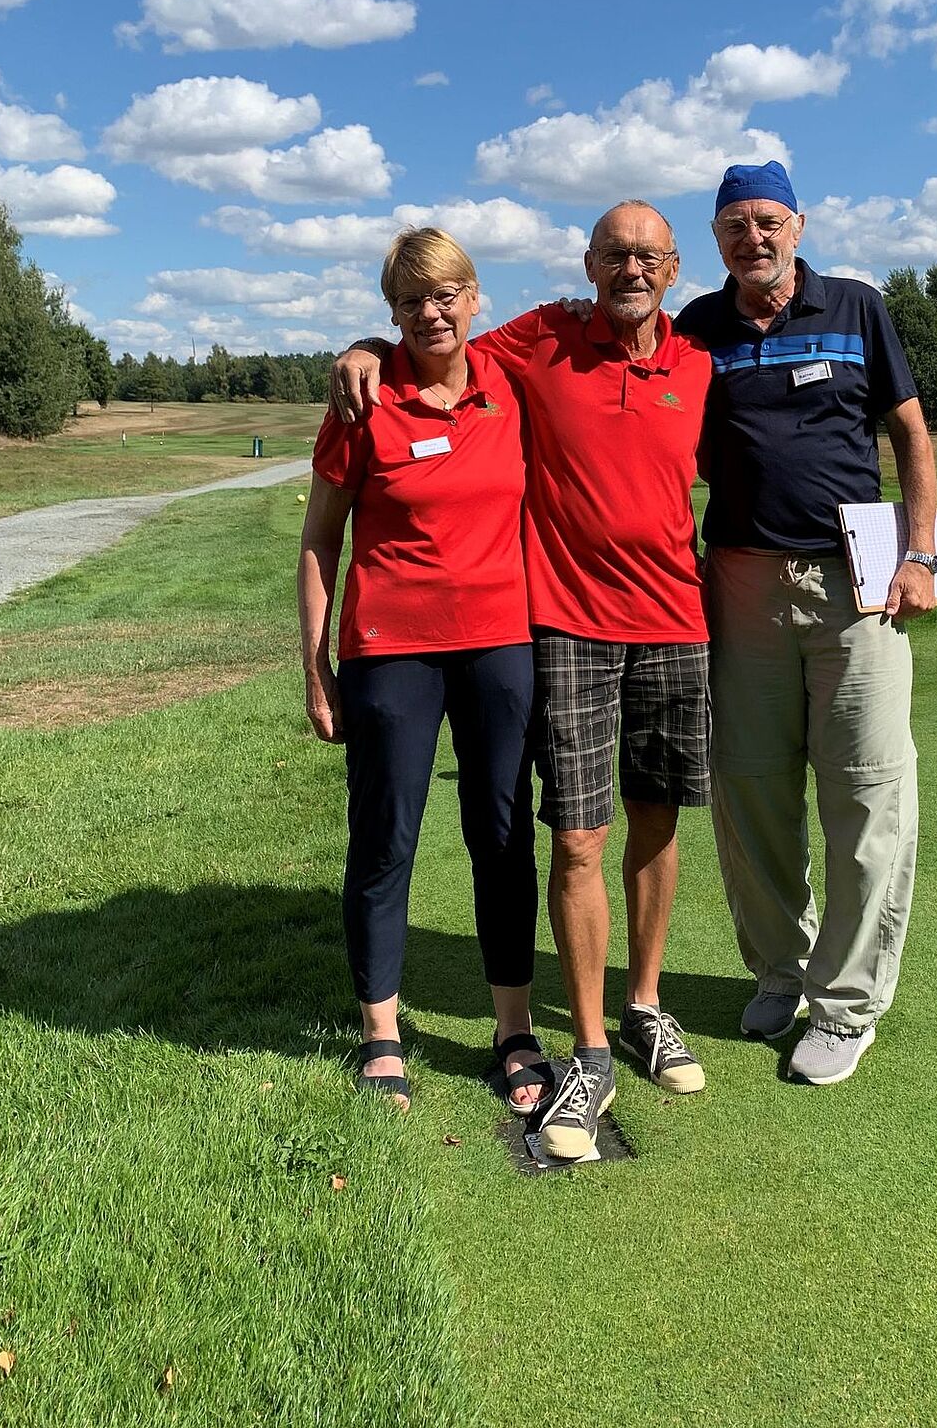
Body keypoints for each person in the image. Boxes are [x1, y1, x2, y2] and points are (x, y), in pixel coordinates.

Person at [332, 201, 716, 1161]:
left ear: (672, 269)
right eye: (615, 254)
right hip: (563, 624)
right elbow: (430, 336)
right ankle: (578, 1045)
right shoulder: (539, 342)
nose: (631, 268)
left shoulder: (698, 360)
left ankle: (642, 1008)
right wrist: (364, 346)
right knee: (572, 836)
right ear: (588, 264)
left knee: (648, 820)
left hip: (668, 620)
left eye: (649, 255)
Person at [673, 161, 937, 1086]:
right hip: (740, 582)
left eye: (768, 221)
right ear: (717, 239)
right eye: (734, 226)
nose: (753, 238)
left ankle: (847, 1005)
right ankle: (781, 971)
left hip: (857, 584)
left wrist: (921, 554)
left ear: (798, 224)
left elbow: (910, 434)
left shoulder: (856, 307)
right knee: (750, 788)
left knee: (865, 791)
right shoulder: (696, 327)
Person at [299, 228, 549, 1117]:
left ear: (474, 297)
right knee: (385, 838)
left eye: (446, 295)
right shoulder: (363, 400)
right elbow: (320, 539)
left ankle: (513, 1029)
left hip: (499, 644)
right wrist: (315, 668)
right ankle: (381, 1033)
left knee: (502, 835)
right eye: (410, 302)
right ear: (392, 312)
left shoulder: (511, 383)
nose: (431, 314)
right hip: (390, 651)